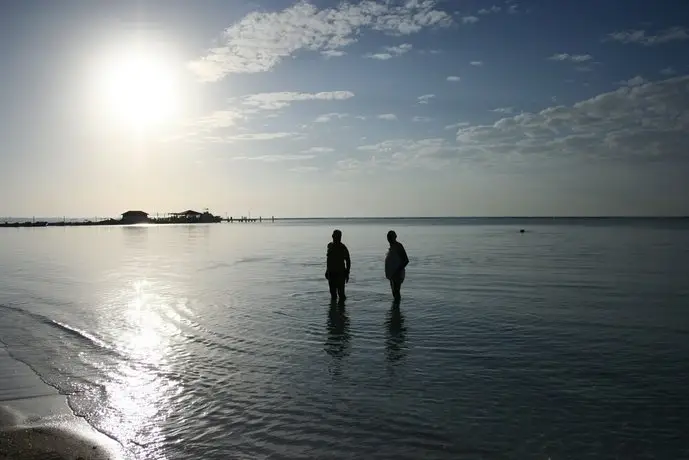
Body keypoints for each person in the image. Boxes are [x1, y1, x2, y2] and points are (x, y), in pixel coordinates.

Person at [325, 229, 351, 302]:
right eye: (334, 236)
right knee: (333, 295)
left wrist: (347, 273)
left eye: (337, 236)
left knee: (341, 294)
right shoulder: (330, 246)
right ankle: (334, 311)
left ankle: (342, 311)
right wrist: (327, 271)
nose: (335, 238)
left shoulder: (342, 248)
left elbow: (348, 261)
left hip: (340, 274)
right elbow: (329, 260)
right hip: (331, 273)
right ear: (332, 236)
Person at [385, 230, 409, 302]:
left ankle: (396, 310)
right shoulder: (391, 247)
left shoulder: (398, 246)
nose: (389, 239)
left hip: (397, 274)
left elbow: (406, 260)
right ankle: (395, 311)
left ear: (395, 237)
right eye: (388, 237)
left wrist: (397, 272)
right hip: (392, 275)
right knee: (394, 293)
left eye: (391, 237)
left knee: (396, 292)